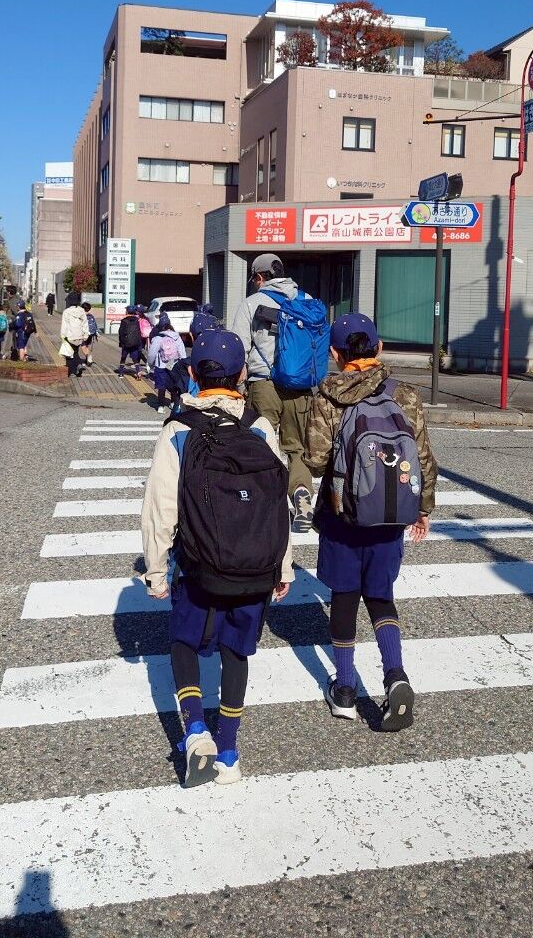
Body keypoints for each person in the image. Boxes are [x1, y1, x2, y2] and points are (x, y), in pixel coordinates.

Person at [141, 328, 293, 787]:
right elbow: (278, 505)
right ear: (242, 374)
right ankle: (228, 750)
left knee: (184, 643)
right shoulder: (260, 428)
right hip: (255, 567)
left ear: (192, 373)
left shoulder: (178, 430)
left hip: (199, 566)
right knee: (236, 652)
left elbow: (160, 509)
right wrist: (282, 567)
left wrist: (156, 570)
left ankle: (195, 731)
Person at [305, 313, 437, 731]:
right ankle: (395, 676)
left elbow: (316, 460)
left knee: (344, 597)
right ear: (378, 348)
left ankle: (344, 690)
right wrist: (423, 508)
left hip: (342, 516)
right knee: (381, 596)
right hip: (390, 515)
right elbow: (423, 457)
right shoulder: (405, 394)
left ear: (335, 353)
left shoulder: (327, 396)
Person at [231, 252, 317, 532]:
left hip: (264, 384)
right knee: (297, 447)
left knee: (261, 446)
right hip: (300, 387)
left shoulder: (252, 303)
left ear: (259, 277)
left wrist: (238, 387)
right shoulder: (306, 300)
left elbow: (238, 349)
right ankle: (302, 494)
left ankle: (265, 504)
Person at [147, 314, 186, 412]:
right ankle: (173, 403)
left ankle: (160, 406)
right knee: (173, 383)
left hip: (161, 364)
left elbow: (152, 354)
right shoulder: (176, 336)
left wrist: (151, 364)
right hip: (173, 363)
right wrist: (183, 364)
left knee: (161, 385)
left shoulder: (158, 338)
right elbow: (182, 352)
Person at [60, 291, 89, 377]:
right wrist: (85, 335)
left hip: (70, 336)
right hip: (79, 336)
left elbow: (64, 325)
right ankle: (78, 365)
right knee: (75, 352)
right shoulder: (81, 311)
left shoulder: (66, 311)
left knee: (69, 354)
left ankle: (72, 372)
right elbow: (85, 323)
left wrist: (62, 336)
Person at [118, 305, 145, 378]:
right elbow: (139, 332)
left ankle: (121, 373)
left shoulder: (124, 321)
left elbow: (121, 332)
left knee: (123, 358)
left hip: (126, 342)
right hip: (135, 342)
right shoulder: (137, 320)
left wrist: (121, 342)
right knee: (135, 359)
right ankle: (138, 372)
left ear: (127, 311)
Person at [81, 302, 99, 366]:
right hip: (91, 333)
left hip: (84, 333)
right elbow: (95, 324)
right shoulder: (91, 316)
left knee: (83, 346)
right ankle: (87, 360)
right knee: (87, 345)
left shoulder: (82, 316)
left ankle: (88, 356)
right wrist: (96, 332)